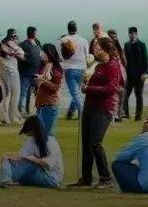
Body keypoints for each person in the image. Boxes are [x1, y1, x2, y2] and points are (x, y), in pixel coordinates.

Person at [69, 37, 123, 190]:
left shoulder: (113, 66)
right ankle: (86, 178)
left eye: (97, 46)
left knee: (95, 142)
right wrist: (86, 86)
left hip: (103, 109)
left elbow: (112, 88)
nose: (94, 49)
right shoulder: (99, 66)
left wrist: (89, 89)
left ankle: (106, 178)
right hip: (90, 108)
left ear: (105, 50)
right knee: (86, 144)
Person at [0, 115, 64, 189]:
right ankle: (5, 179)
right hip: (36, 173)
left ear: (34, 130)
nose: (27, 134)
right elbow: (21, 156)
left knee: (29, 162)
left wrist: (32, 158)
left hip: (51, 179)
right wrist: (10, 157)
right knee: (8, 160)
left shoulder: (51, 142)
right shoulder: (32, 139)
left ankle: (1, 180)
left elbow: (48, 164)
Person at [61, 21, 89, 120]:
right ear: (76, 29)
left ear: (68, 29)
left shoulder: (64, 40)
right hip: (81, 68)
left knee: (74, 92)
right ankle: (71, 112)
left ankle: (82, 112)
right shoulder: (83, 40)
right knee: (76, 91)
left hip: (70, 69)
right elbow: (87, 56)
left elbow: (60, 56)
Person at [35, 43, 64, 137]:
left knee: (47, 134)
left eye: (43, 52)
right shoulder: (43, 66)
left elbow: (55, 87)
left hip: (50, 104)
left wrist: (43, 81)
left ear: (49, 53)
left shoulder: (55, 68)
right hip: (41, 103)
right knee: (40, 133)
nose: (41, 54)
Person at [0, 29, 25, 124]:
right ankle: (11, 117)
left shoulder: (2, 43)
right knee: (14, 94)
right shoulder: (10, 43)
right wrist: (16, 53)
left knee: (6, 94)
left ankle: (6, 116)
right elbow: (22, 56)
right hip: (11, 70)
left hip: (4, 70)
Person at [123, 27, 148, 121]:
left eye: (134, 33)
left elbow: (145, 60)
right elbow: (124, 60)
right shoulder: (126, 45)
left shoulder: (141, 45)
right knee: (125, 95)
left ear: (136, 34)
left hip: (139, 75)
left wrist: (145, 73)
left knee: (138, 95)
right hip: (129, 75)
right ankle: (126, 114)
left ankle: (138, 116)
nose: (132, 35)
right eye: (130, 33)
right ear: (128, 34)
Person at [18, 27, 42, 116]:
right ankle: (20, 111)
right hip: (25, 73)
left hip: (35, 73)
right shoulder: (23, 44)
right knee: (23, 93)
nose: (35, 34)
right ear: (30, 33)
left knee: (30, 94)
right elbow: (20, 57)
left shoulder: (37, 44)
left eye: (36, 33)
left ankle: (28, 110)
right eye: (35, 33)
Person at [107, 29, 127, 120]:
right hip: (110, 72)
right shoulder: (105, 49)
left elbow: (124, 62)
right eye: (111, 38)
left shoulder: (119, 48)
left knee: (121, 93)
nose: (113, 39)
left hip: (119, 72)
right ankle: (113, 114)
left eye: (114, 37)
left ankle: (118, 114)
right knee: (112, 93)